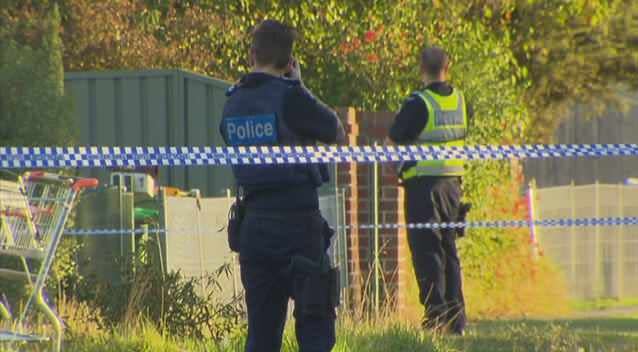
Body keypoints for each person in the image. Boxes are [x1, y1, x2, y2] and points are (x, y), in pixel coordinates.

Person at [220, 20, 345, 352]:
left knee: (261, 334)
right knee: (316, 324)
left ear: (252, 54)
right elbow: (334, 128)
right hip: (298, 223)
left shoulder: (233, 101)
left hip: (255, 226)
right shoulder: (291, 97)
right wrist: (299, 85)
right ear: (290, 61)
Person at [388, 46, 472, 335]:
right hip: (453, 186)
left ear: (421, 68)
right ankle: (456, 318)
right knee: (449, 250)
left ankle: (435, 315)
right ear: (448, 67)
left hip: (424, 186)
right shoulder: (461, 101)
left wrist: (398, 167)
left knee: (427, 250)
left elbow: (395, 137)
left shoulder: (418, 103)